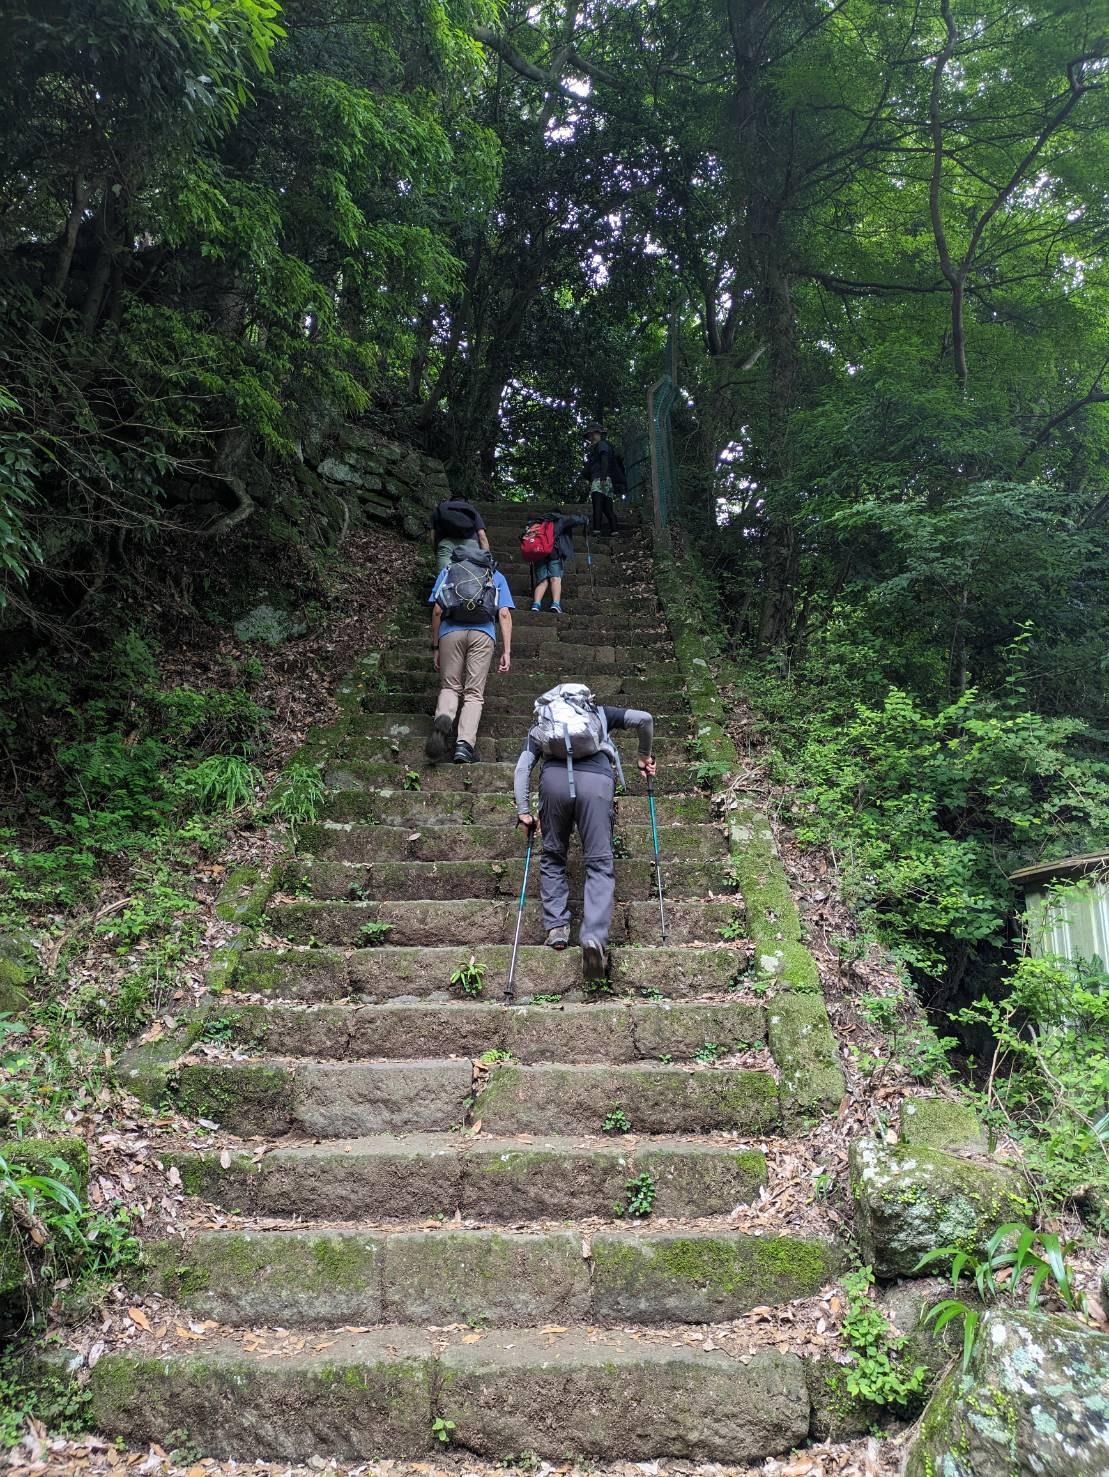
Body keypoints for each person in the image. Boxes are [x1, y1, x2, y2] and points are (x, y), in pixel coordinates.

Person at [514, 690, 656, 979]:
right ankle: (592, 937)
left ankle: (557, 929)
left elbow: (522, 767)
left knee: (553, 856)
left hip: (554, 785)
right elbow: (645, 719)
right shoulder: (600, 714)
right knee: (599, 863)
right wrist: (643, 756)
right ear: (584, 700)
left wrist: (523, 810)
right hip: (597, 784)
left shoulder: (544, 723)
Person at [427, 541, 514, 763]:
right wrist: (507, 650)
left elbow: (437, 610)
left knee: (450, 686)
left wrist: (435, 645)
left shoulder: (449, 571)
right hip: (483, 634)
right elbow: (503, 614)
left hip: (450, 633)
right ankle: (464, 745)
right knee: (473, 693)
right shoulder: (495, 574)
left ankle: (444, 720)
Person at [530, 510, 588, 614]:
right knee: (555, 579)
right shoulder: (560, 519)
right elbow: (575, 519)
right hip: (553, 552)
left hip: (538, 553)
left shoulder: (538, 522)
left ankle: (536, 604)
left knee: (542, 581)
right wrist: (585, 519)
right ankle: (556, 604)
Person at [432, 497, 491, 571]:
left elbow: (433, 535)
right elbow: (482, 536)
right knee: (474, 577)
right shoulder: (472, 510)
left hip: (447, 545)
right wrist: (488, 560)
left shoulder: (440, 508)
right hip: (471, 545)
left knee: (444, 576)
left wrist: (435, 549)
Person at [583, 423, 619, 535]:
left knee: (597, 505)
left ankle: (596, 530)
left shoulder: (602, 445)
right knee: (607, 508)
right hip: (604, 479)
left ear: (600, 434)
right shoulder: (598, 447)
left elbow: (605, 461)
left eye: (594, 434)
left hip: (600, 479)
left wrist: (602, 477)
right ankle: (614, 531)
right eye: (590, 435)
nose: (591, 437)